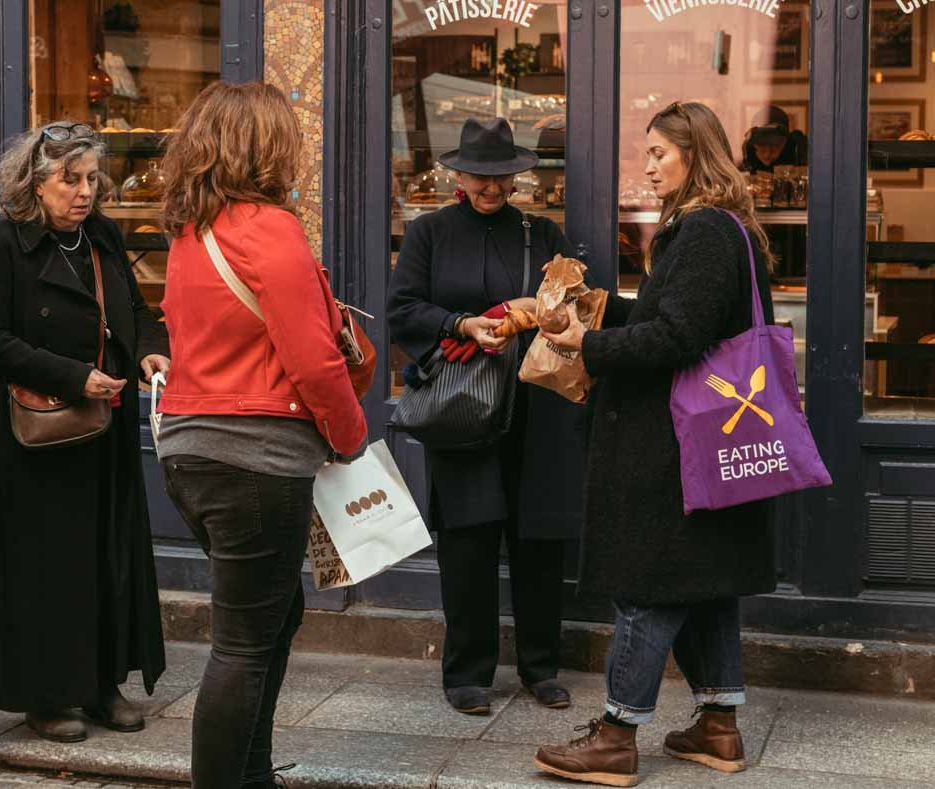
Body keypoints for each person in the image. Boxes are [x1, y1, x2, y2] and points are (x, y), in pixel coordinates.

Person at [534, 101, 777, 786]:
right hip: (702, 440)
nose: (646, 165)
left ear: (695, 154)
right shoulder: (718, 230)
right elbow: (680, 316)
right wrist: (606, 309)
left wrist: (590, 342)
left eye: (659, 153)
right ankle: (718, 724)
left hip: (676, 445)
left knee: (650, 580)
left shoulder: (702, 232)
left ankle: (616, 734)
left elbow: (678, 338)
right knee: (707, 580)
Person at [155, 81, 368, 789]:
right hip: (255, 457)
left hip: (191, 453)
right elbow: (313, 358)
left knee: (273, 617)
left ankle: (253, 774)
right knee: (243, 642)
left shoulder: (193, 232)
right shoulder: (269, 230)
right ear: (268, 146)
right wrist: (350, 435)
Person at [0, 121, 170, 743]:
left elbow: (137, 310)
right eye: (69, 179)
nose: (84, 191)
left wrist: (149, 353)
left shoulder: (103, 235)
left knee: (106, 554)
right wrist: (74, 377)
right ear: (35, 182)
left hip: (103, 424)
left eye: (90, 179)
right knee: (46, 563)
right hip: (36, 430)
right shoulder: (3, 244)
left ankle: (103, 682)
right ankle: (48, 694)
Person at [387, 116, 574, 717]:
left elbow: (567, 305)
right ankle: (467, 672)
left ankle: (541, 667)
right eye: (480, 176)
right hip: (465, 403)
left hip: (534, 404)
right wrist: (461, 324)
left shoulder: (541, 233)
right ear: (457, 174)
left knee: (537, 541)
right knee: (466, 540)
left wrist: (540, 313)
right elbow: (402, 310)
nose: (492, 188)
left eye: (503, 177)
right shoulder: (429, 233)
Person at [738, 105, 806, 175]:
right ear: (753, 144)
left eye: (775, 147)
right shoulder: (747, 155)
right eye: (762, 147)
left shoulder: (796, 149)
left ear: (785, 142)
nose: (767, 154)